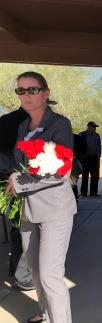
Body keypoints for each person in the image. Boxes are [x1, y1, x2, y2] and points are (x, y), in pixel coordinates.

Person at [6, 71, 76, 323]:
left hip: (55, 211)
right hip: (29, 210)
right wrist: (15, 175)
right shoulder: (23, 127)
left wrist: (20, 181)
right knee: (35, 270)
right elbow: (21, 163)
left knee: (50, 274)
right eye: (20, 91)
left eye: (32, 90)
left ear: (46, 93)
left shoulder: (59, 124)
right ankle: (45, 311)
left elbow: (61, 171)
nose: (26, 95)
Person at [0, 107, 34, 291]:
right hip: (18, 182)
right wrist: (14, 173)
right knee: (29, 229)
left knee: (19, 227)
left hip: (21, 180)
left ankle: (18, 270)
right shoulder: (11, 122)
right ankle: (24, 275)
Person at [79, 121, 101, 197]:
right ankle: (83, 193)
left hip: (95, 158)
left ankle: (93, 192)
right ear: (89, 127)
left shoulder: (97, 135)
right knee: (85, 176)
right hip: (86, 158)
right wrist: (81, 156)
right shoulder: (82, 134)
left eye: (95, 127)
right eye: (93, 127)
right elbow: (78, 146)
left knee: (95, 176)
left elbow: (99, 146)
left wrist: (99, 155)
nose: (95, 129)